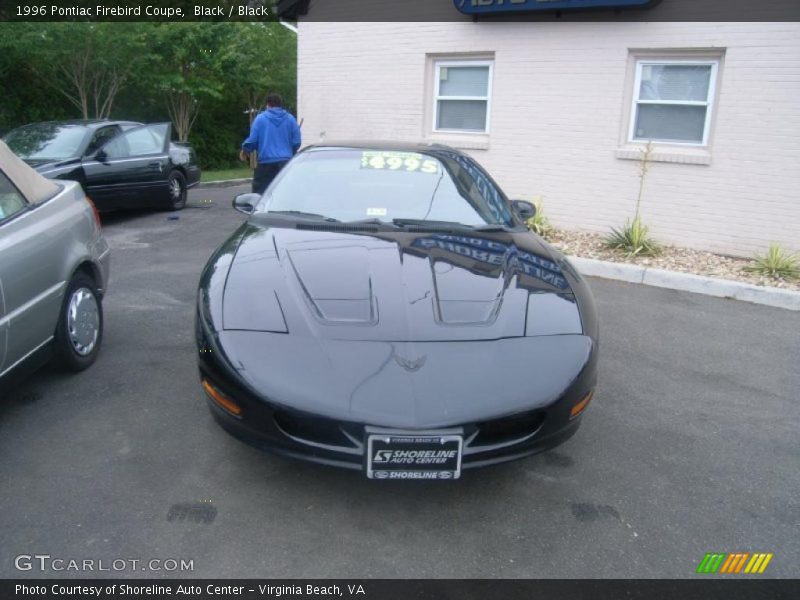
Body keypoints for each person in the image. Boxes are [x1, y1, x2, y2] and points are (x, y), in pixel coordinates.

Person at [240, 93, 302, 195]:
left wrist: (245, 149)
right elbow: (296, 142)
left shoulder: (260, 119)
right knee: (285, 194)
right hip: (285, 163)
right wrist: (290, 151)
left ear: (267, 105)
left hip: (265, 164)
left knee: (260, 195)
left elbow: (253, 140)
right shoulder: (290, 119)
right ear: (280, 104)